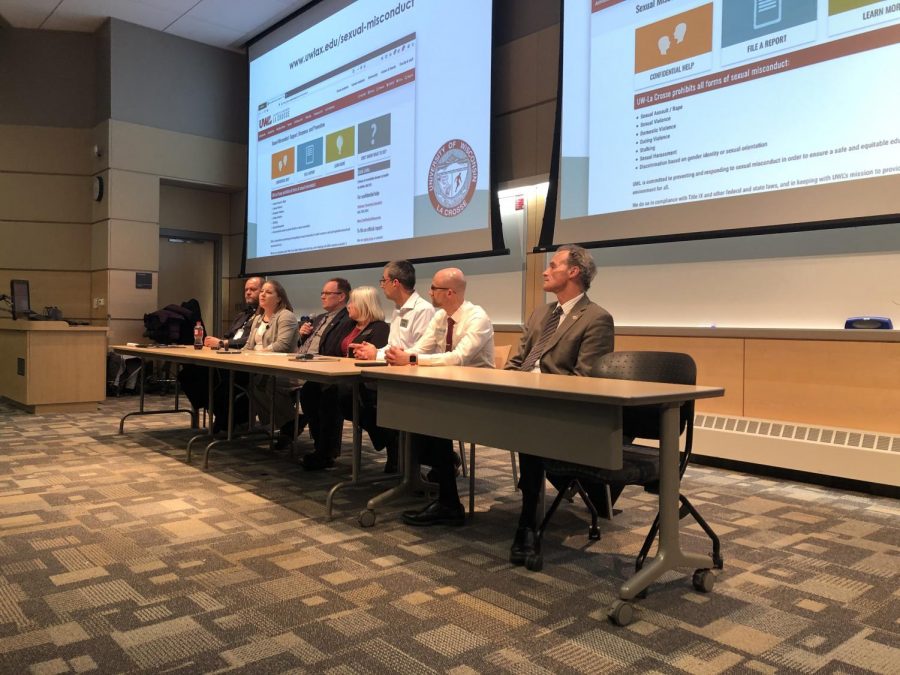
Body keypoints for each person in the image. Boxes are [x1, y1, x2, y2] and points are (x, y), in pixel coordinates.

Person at [506, 244, 614, 566]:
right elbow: (517, 360)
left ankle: (528, 519)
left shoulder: (596, 318)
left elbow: (584, 380)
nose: (545, 270)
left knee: (529, 427)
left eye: (553, 265)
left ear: (574, 272)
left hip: (560, 411)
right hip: (524, 399)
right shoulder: (541, 313)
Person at [385, 267, 494, 526]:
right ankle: (440, 489)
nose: (429, 292)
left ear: (450, 292)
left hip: (481, 395)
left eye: (433, 288)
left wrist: (410, 359)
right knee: (413, 412)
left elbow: (458, 358)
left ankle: (447, 500)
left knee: (431, 418)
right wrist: (394, 355)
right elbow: (420, 349)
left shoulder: (477, 317)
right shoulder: (440, 317)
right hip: (447, 391)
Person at [347, 260, 434, 472]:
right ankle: (396, 449)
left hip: (415, 380)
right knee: (350, 395)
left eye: (383, 280)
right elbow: (393, 347)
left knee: (360, 397)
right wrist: (373, 352)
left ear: (395, 282)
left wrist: (378, 354)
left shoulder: (423, 310)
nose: (381, 285)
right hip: (394, 375)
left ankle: (420, 456)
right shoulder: (398, 310)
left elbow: (422, 352)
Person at [177, 276, 262, 431]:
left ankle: (228, 418)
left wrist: (223, 343)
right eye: (246, 290)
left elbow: (251, 341)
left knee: (215, 378)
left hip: (247, 364)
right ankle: (223, 414)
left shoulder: (264, 317)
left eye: (253, 289)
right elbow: (229, 335)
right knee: (188, 374)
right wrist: (215, 343)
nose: (248, 293)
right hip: (228, 358)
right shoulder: (242, 315)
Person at [297, 278, 356, 469]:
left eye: (327, 293)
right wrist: (303, 335)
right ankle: (319, 446)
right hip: (309, 364)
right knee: (308, 392)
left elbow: (334, 348)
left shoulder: (347, 319)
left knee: (321, 395)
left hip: (331, 371)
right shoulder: (320, 318)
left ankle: (325, 451)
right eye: (321, 293)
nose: (322, 296)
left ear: (341, 297)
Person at [242, 280, 299, 435]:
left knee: (260, 382)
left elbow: (282, 346)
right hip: (259, 366)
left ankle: (290, 423)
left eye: (268, 292)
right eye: (262, 292)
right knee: (240, 379)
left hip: (283, 369)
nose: (263, 295)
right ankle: (272, 424)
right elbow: (248, 345)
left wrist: (255, 356)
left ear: (279, 298)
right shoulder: (258, 318)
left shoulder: (286, 316)